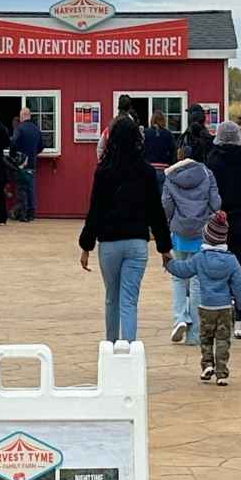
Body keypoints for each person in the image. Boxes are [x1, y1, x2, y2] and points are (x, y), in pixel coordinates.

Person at [79, 116, 172, 343]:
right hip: (137, 242)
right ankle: (129, 348)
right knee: (129, 299)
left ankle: (110, 346)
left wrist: (86, 246)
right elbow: (156, 211)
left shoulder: (103, 171)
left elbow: (95, 210)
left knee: (112, 297)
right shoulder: (146, 172)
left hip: (109, 242)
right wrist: (164, 247)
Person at [164, 210, 241, 385]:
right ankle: (221, 373)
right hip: (224, 308)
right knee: (223, 340)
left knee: (206, 338)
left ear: (206, 237)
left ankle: (207, 365)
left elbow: (183, 270)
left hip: (205, 307)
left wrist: (169, 263)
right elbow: (240, 285)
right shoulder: (231, 260)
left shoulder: (199, 258)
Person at [161, 145, 221, 346]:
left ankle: (180, 317)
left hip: (179, 233)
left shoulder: (170, 176)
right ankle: (194, 333)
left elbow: (166, 206)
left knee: (178, 278)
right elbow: (216, 203)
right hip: (201, 233)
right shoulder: (207, 174)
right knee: (196, 282)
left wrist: (169, 223)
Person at [207, 120, 241, 339]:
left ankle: (219, 314)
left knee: (215, 270)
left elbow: (208, 193)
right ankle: (240, 318)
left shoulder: (211, 161)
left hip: (218, 223)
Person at [11, 106, 44, 220]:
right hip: (32, 163)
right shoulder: (36, 129)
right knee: (30, 188)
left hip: (21, 163)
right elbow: (41, 146)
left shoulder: (19, 128)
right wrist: (33, 153)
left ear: (22, 116)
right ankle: (31, 212)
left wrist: (13, 155)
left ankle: (23, 213)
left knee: (21, 188)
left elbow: (13, 143)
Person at [142, 110, 177, 176]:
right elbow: (173, 152)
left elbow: (141, 150)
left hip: (149, 167)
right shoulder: (168, 134)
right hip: (164, 168)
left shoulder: (146, 133)